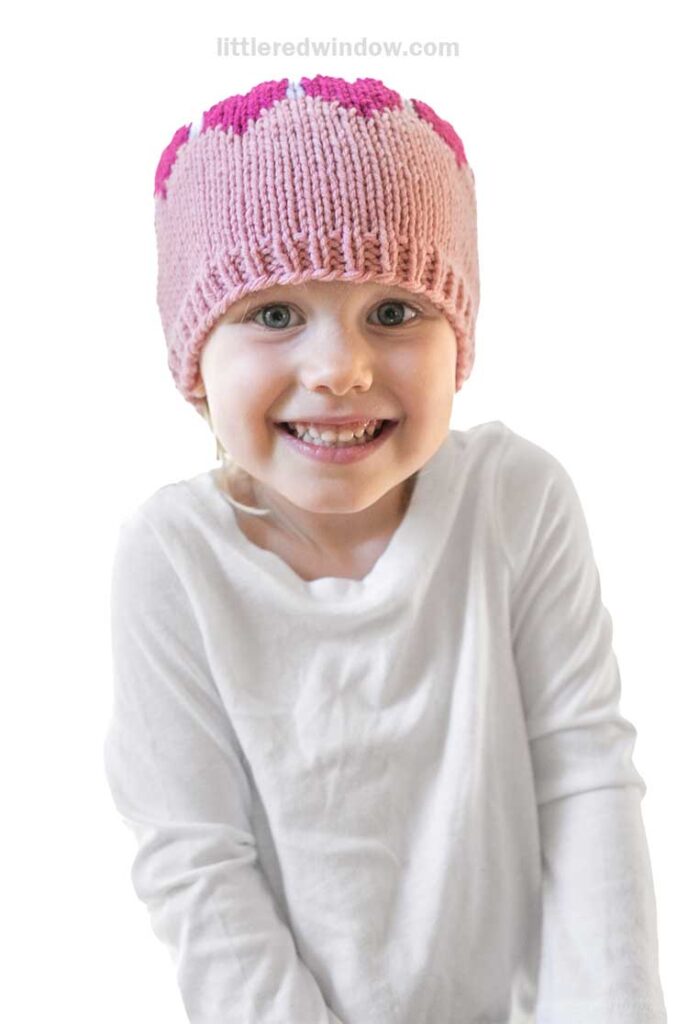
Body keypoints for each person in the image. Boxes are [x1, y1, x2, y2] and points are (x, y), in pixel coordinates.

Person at [102, 74, 668, 1023]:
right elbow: (198, 867)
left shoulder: (514, 502)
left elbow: (586, 782)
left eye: (395, 312)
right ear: (195, 360)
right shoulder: (173, 560)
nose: (340, 368)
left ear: (459, 337)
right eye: (274, 314)